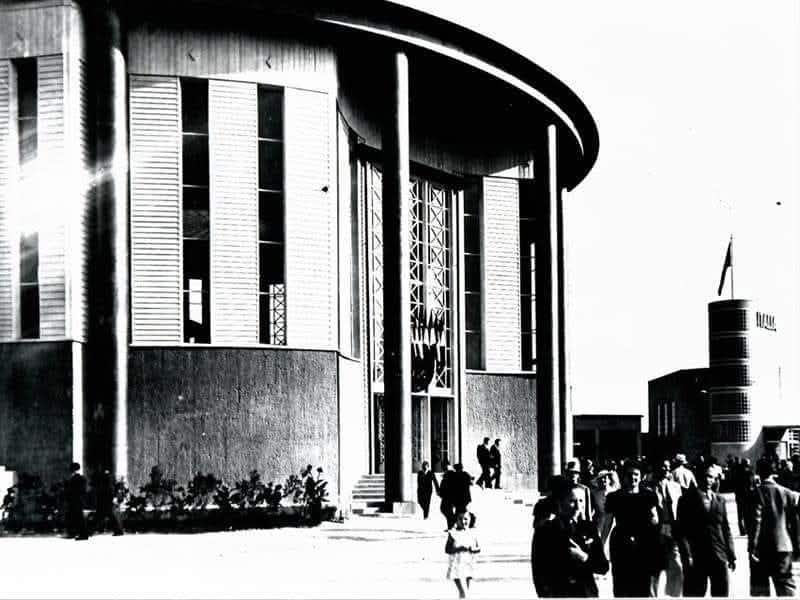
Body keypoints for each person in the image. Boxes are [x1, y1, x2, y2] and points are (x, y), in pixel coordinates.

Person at [532, 479, 609, 597]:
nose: (578, 506)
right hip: (559, 592)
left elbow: (603, 567)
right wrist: (545, 594)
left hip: (586, 592)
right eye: (572, 501)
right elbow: (538, 570)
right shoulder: (545, 531)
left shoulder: (589, 529)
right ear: (560, 503)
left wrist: (583, 557)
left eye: (581, 501)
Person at [676, 463, 736, 597]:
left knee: (721, 594)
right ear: (699, 477)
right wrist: (687, 555)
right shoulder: (686, 500)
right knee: (695, 594)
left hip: (719, 555)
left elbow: (726, 529)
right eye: (707, 476)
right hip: (697, 557)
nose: (710, 480)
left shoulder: (720, 500)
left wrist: (731, 554)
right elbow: (681, 531)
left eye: (712, 477)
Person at [604, 459, 659, 597]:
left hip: (643, 543)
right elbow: (608, 523)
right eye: (629, 474)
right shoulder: (614, 497)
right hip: (621, 544)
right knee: (622, 583)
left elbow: (655, 519)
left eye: (636, 474)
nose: (633, 477)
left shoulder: (648, 495)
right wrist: (601, 545)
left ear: (641, 476)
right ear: (624, 476)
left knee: (643, 583)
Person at [747, 457, 800, 597]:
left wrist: (753, 546)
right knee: (786, 589)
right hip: (784, 546)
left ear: (758, 472)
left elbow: (755, 522)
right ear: (774, 472)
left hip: (762, 548)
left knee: (760, 590)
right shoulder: (788, 493)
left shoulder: (755, 493)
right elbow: (795, 523)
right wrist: (796, 547)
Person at [646, 459, 684, 597]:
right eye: (663, 466)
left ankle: (673, 594)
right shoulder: (648, 487)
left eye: (668, 467)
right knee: (654, 565)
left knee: (676, 563)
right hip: (655, 530)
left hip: (673, 528)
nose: (666, 469)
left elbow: (680, 507)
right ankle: (652, 595)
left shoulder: (675, 486)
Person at [446, 511, 480, 598]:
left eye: (465, 519)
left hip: (468, 563)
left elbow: (478, 548)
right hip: (457, 564)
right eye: (460, 519)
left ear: (470, 520)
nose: (463, 521)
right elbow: (447, 549)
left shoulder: (472, 533)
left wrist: (473, 549)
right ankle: (462, 593)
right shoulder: (453, 533)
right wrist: (459, 548)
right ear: (456, 521)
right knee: (463, 593)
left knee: (468, 593)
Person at [93, 468, 124, 536]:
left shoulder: (106, 484)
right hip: (107, 501)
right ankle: (118, 530)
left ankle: (89, 531)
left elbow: (108, 492)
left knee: (103, 516)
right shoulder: (109, 483)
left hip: (105, 502)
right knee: (108, 516)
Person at [64, 462, 89, 540]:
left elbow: (73, 490)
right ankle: (74, 533)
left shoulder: (76, 478)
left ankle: (82, 534)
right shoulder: (81, 478)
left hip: (75, 500)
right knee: (74, 517)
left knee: (78, 517)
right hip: (78, 500)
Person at [565, 457, 594, 523]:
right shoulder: (563, 489)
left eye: (575, 473)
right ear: (567, 474)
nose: (573, 475)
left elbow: (588, 511)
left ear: (578, 474)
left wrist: (589, 525)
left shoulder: (584, 489)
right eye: (571, 473)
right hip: (567, 523)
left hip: (581, 523)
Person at [439, 460, 456, 529]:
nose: (443, 467)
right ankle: (451, 525)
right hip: (447, 496)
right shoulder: (448, 473)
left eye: (444, 466)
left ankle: (452, 523)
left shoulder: (450, 473)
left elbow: (446, 484)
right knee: (447, 510)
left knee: (445, 509)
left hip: (449, 496)